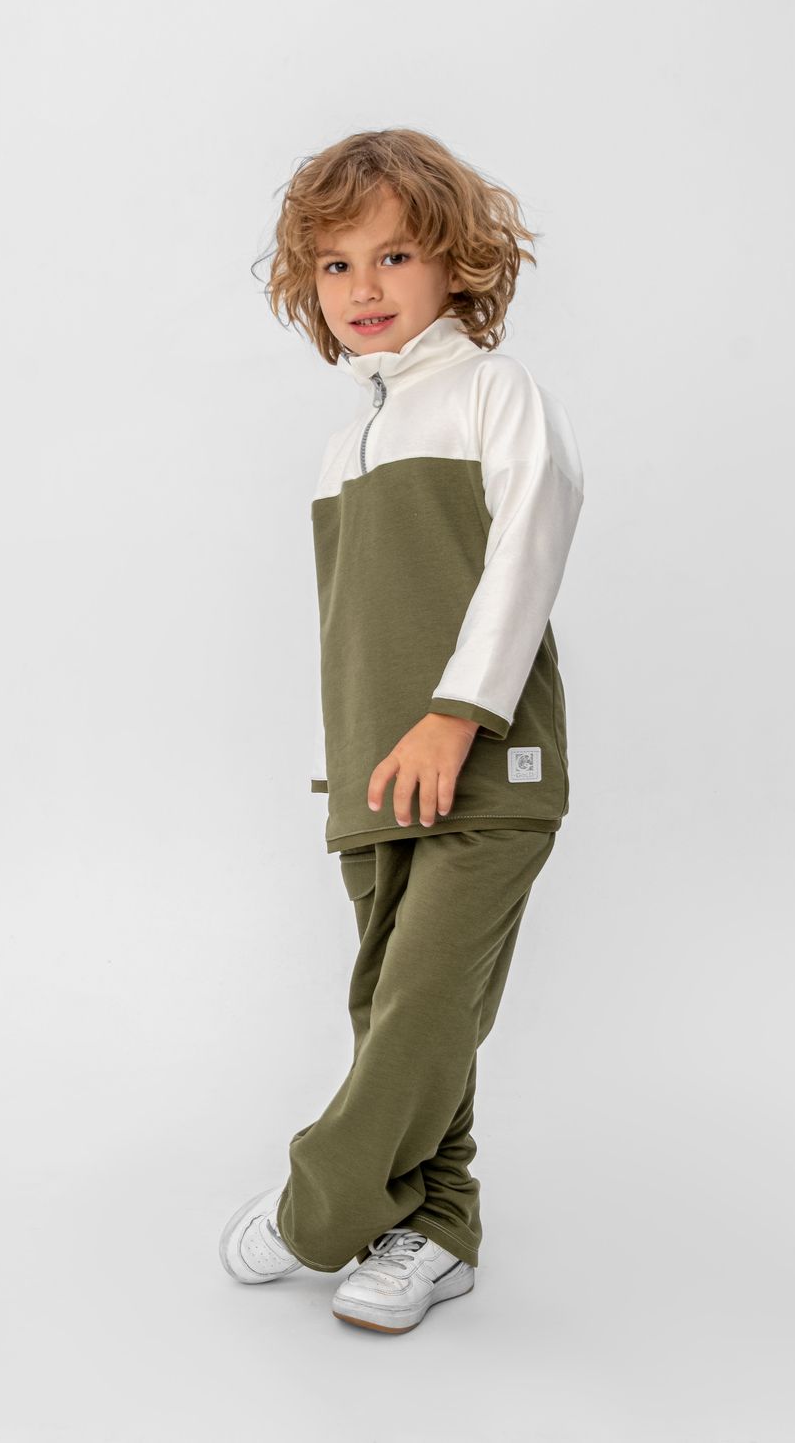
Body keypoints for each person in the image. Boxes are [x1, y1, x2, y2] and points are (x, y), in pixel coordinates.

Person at [220, 128, 585, 1335]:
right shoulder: (347, 443)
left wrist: (454, 715)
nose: (362, 288)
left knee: (422, 1007)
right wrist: (354, 763)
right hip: (372, 777)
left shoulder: (491, 391)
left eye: (392, 256)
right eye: (334, 266)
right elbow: (358, 629)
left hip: (485, 765)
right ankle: (438, 1228)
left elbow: (530, 550)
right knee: (399, 1015)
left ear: (455, 264)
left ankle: (317, 1209)